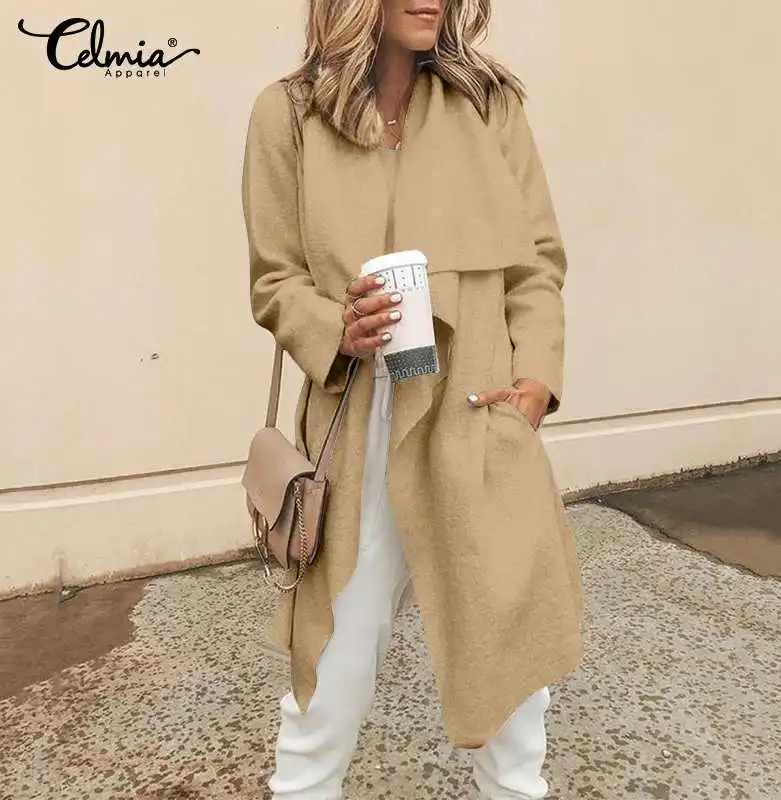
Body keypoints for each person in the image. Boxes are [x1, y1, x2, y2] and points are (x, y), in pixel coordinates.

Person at [241, 1, 584, 797]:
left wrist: (535, 383)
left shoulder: (489, 105)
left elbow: (537, 262)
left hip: (478, 419)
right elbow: (275, 280)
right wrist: (336, 326)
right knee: (330, 682)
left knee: (513, 690)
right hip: (359, 428)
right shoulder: (287, 115)